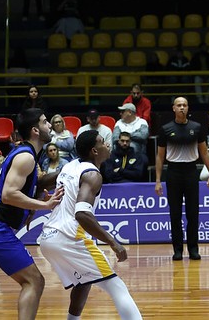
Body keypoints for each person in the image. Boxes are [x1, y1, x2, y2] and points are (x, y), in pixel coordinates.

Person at [38, 130, 143, 320]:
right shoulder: (93, 175)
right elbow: (82, 214)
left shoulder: (70, 166)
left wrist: (34, 201)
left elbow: (42, 181)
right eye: (103, 142)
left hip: (47, 238)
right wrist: (113, 242)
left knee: (83, 280)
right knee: (116, 286)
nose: (107, 145)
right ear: (94, 151)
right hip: (69, 237)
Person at [0, 108, 65, 320]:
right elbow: (8, 194)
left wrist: (67, 171)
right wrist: (46, 205)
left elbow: (30, 184)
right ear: (35, 130)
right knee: (33, 280)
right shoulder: (26, 157)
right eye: (45, 122)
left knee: (33, 281)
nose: (50, 125)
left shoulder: (26, 154)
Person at [155, 97, 209, 261]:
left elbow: (204, 152)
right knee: (175, 214)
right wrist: (158, 180)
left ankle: (194, 249)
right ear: (173, 108)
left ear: (188, 108)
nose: (182, 108)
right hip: (173, 173)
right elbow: (160, 157)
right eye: (179, 105)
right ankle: (178, 250)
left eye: (184, 105)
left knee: (192, 213)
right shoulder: (165, 129)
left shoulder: (196, 128)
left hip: (190, 172)